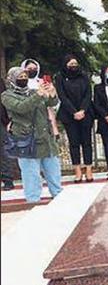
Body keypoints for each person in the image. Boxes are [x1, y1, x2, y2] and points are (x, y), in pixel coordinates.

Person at [2, 67, 62, 202]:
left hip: (45, 138)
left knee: (53, 171)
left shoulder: (34, 92)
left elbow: (50, 103)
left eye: (25, 76)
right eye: (20, 76)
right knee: (31, 175)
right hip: (26, 140)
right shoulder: (7, 95)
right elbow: (21, 108)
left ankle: (58, 196)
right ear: (12, 79)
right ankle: (33, 201)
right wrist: (38, 95)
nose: (23, 79)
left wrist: (52, 94)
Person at [54, 54, 95, 183]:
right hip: (68, 115)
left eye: (75, 64)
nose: (73, 66)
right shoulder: (60, 77)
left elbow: (88, 93)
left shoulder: (84, 76)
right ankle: (77, 170)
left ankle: (88, 169)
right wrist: (74, 112)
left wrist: (82, 110)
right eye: (70, 64)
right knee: (74, 143)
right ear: (65, 64)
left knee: (87, 143)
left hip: (85, 113)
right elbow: (62, 96)